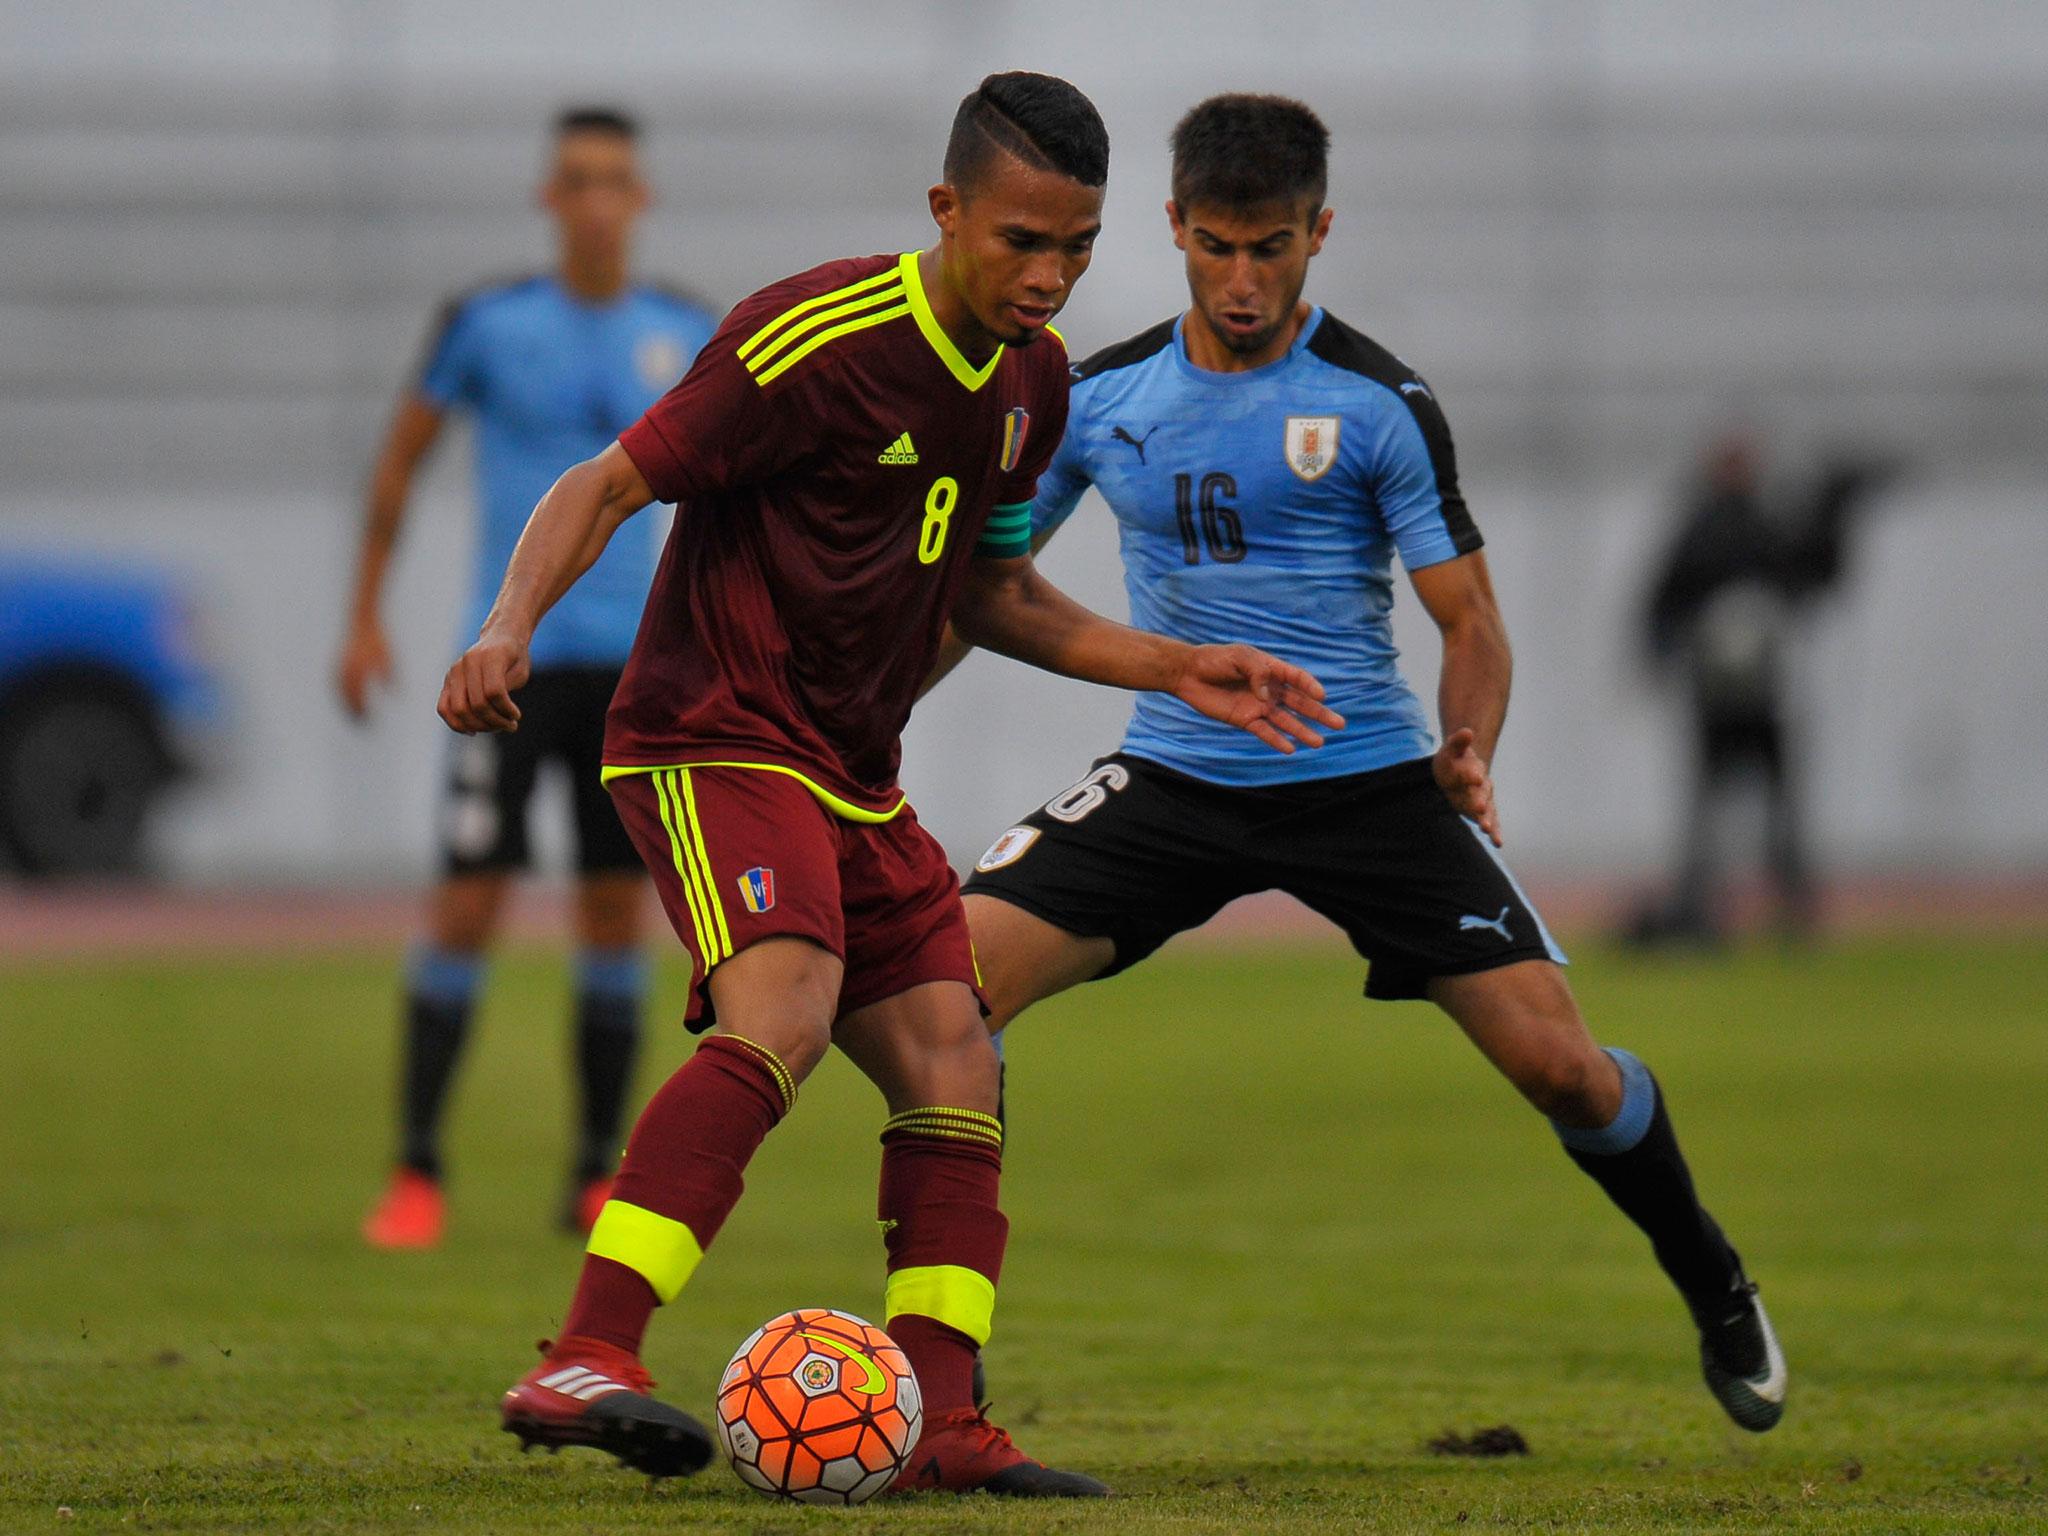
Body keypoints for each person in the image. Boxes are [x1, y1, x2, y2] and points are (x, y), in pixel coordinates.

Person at [437, 73, 1341, 1497]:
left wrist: (1174, 665)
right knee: (784, 1012)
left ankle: (942, 1422)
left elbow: (995, 596)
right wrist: (505, 627)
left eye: (1078, 247)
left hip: (851, 778)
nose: (1047, 276)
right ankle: (585, 1353)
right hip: (709, 733)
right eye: (1020, 240)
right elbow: (603, 483)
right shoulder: (814, 333)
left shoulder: (1032, 386)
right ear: (947, 211)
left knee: (953, 1057)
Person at [942, 94, 1788, 1436]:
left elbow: (1471, 621)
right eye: (1216, 246)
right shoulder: (1095, 396)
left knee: (1565, 1073)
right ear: (1171, 227)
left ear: (1319, 232)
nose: (1240, 280)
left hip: (1367, 783)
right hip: (1177, 773)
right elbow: (985, 587)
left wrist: (1470, 744)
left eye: (1270, 248)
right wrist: (864, 712)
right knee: (948, 991)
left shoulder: (1381, 404)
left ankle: (1714, 1278)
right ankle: (941, 1366)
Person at [337, 107, 720, 1248]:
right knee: (468, 900)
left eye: (615, 180)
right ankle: (417, 1172)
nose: (597, 199)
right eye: (577, 180)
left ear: (639, 199)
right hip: (505, 665)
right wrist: (363, 616)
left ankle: (591, 1177)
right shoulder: (490, 324)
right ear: (549, 199)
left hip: (632, 675)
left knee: (612, 912)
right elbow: (401, 462)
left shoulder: (684, 330)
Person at [1636, 435, 1890, 944]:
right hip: (1715, 697)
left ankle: (1791, 907)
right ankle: (1701, 906)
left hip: (1766, 695)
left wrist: (1839, 505)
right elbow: (1663, 599)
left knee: (1778, 805)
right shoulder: (1703, 531)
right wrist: (1663, 653)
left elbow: (1815, 570)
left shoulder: (1766, 525)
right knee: (1711, 807)